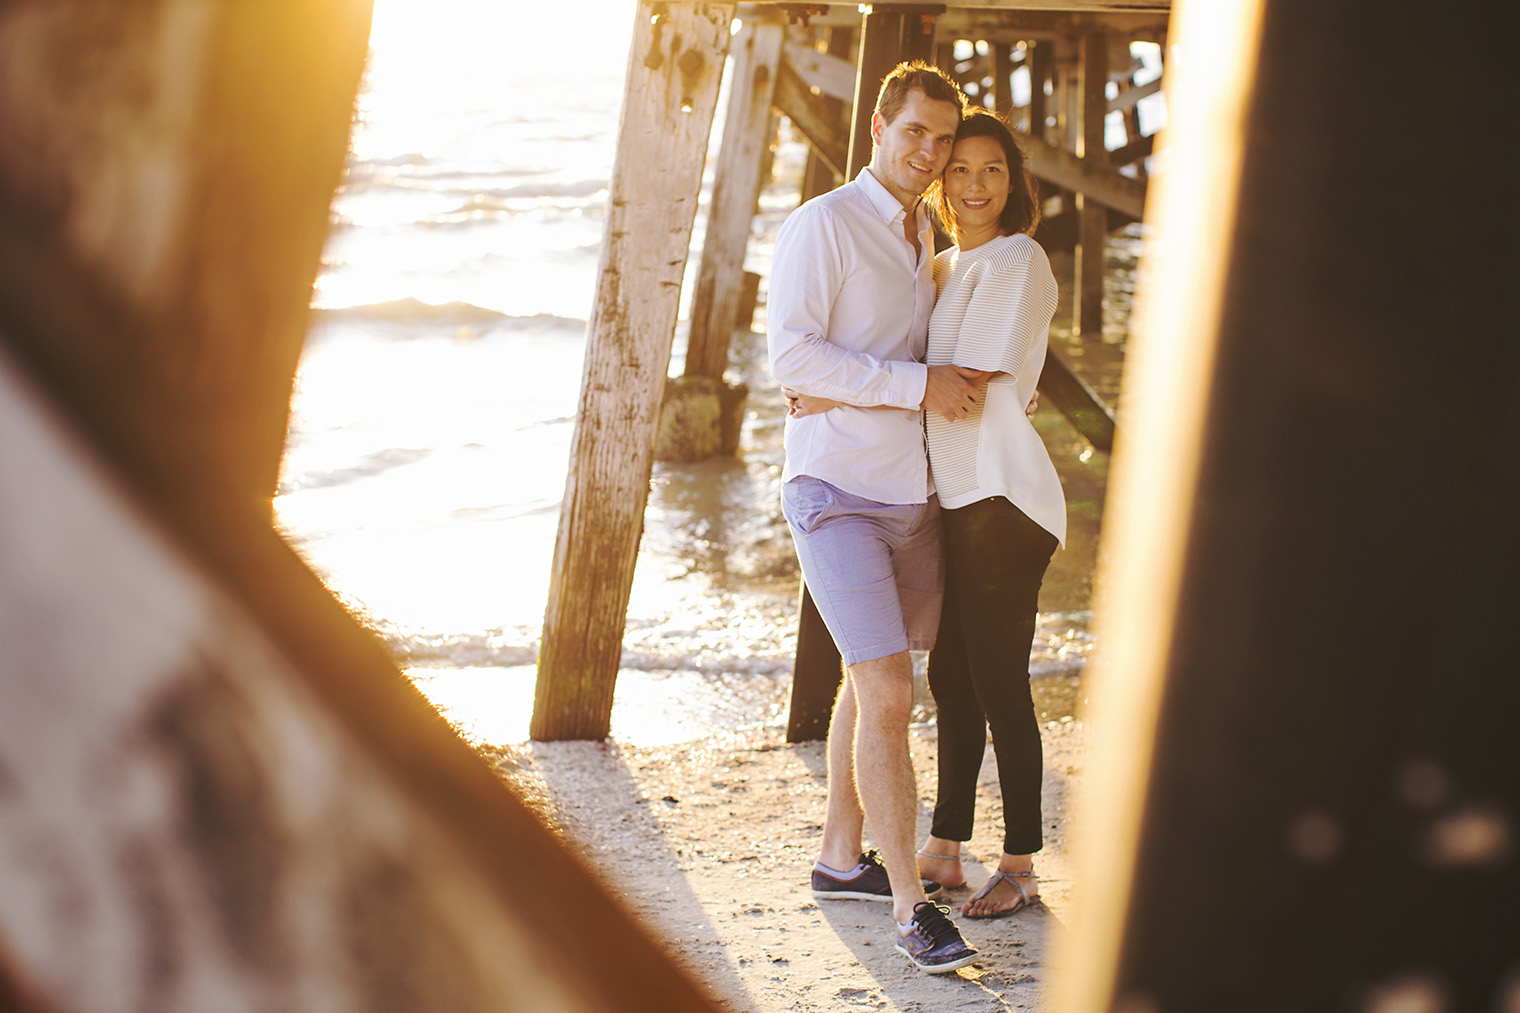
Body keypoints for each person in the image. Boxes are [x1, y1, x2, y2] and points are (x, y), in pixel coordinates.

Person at [766, 60, 983, 974]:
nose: (929, 153)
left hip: (912, 496)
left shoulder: (921, 237)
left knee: (876, 671)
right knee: (891, 690)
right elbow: (792, 352)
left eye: (942, 139)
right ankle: (908, 911)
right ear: (878, 131)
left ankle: (838, 858)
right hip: (835, 494)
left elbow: (837, 369)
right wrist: (908, 388)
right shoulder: (825, 224)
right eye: (914, 134)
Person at [912, 110, 1065, 919]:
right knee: (951, 676)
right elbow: (929, 380)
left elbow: (968, 379)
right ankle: (944, 847)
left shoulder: (1016, 258)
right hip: (959, 497)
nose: (976, 186)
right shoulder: (940, 269)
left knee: (1000, 683)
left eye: (993, 171)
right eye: (961, 170)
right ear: (940, 183)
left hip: (1007, 496)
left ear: (1015, 184)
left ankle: (1022, 864)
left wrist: (867, 379)